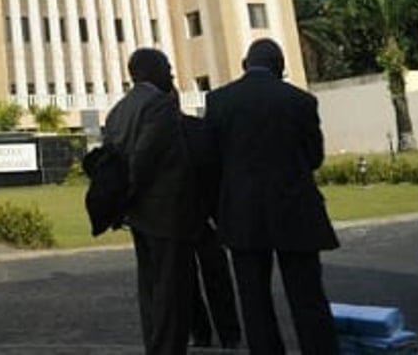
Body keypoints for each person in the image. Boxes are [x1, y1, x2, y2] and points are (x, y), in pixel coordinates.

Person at [206, 38, 340, 355]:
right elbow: (314, 157)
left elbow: (212, 160)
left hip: (242, 214)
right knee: (307, 297)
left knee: (254, 300)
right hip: (295, 209)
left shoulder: (220, 101)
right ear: (280, 67)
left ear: (245, 63)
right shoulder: (300, 101)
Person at [103, 48, 199, 354]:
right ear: (148, 71)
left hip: (137, 214)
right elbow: (144, 158)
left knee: (150, 286)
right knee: (172, 288)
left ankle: (156, 345)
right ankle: (168, 347)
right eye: (167, 67)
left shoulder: (118, 111)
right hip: (165, 211)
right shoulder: (160, 105)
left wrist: (124, 203)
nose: (171, 74)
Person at [181, 112, 241, 349]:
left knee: (192, 282)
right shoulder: (199, 128)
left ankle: (205, 333)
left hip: (185, 218)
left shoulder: (161, 131)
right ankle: (227, 334)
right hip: (203, 216)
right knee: (214, 279)